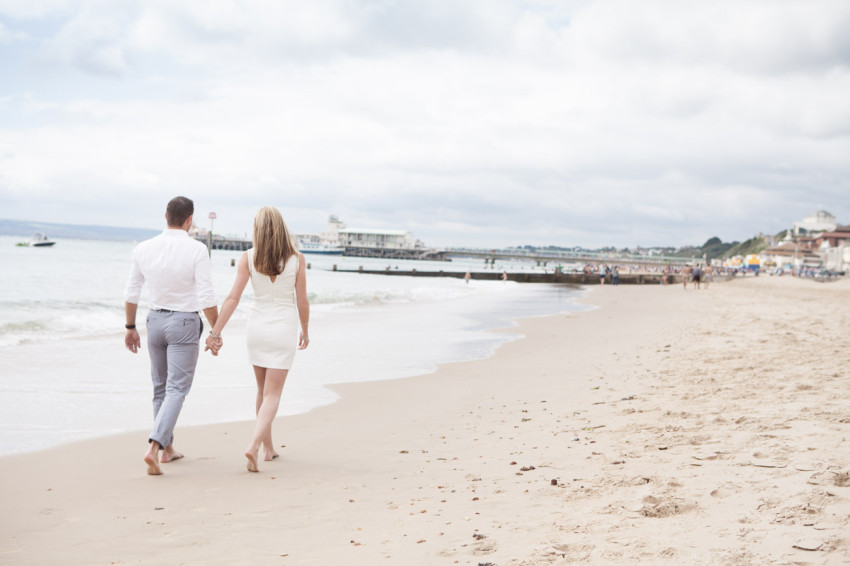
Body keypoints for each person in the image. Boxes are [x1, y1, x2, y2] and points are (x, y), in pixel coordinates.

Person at [205, 206, 310, 473]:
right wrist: (305, 330)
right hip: (284, 327)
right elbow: (302, 301)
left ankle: (268, 449)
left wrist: (215, 333)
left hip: (257, 327)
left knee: (262, 391)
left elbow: (232, 298)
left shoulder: (248, 258)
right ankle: (253, 446)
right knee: (273, 394)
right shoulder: (297, 259)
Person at [124, 196, 219, 476]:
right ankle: (154, 447)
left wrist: (130, 328)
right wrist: (216, 331)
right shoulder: (197, 249)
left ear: (165, 215)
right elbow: (206, 296)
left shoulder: (143, 248)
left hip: (154, 321)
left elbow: (132, 291)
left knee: (160, 389)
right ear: (189, 220)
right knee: (176, 389)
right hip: (184, 323)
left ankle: (168, 450)